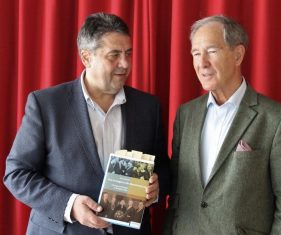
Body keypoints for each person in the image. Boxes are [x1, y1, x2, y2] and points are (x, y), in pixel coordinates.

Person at [3, 12, 169, 235]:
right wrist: (69, 204)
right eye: (114, 55)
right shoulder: (46, 105)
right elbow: (16, 173)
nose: (125, 63)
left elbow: (164, 169)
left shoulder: (148, 107)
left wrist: (156, 188)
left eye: (128, 53)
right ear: (86, 57)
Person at [164, 15, 281, 234]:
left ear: (238, 54)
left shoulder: (278, 119)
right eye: (195, 53)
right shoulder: (186, 114)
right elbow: (176, 192)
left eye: (211, 51)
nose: (202, 63)